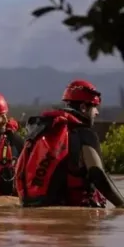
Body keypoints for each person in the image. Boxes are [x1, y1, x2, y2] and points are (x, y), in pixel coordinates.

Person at [15, 80, 124, 208]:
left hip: (35, 211)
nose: (96, 112)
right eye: (94, 107)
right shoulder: (85, 133)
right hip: (75, 213)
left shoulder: (43, 130)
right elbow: (97, 173)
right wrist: (121, 204)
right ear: (83, 107)